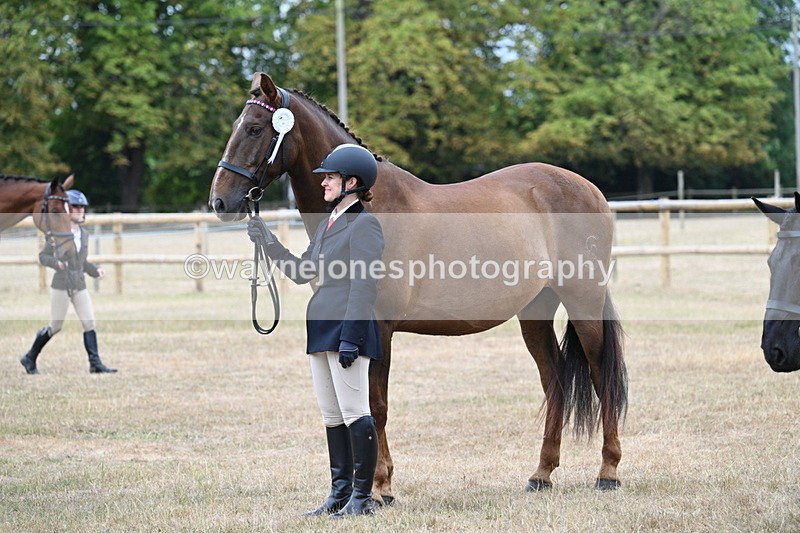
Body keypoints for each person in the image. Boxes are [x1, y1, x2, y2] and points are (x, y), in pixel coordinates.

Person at [247, 143, 384, 518]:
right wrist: (268, 242)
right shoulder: (328, 224)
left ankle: (361, 498)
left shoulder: (365, 225)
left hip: (347, 328)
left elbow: (364, 285)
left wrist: (351, 337)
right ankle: (338, 494)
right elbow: (302, 271)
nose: (323, 183)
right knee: (331, 415)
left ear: (351, 183)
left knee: (356, 411)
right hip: (321, 326)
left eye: (331, 178)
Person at [20, 189, 117, 375]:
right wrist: (56, 263)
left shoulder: (84, 234)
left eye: (82, 207)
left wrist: (95, 271)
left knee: (89, 322)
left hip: (79, 284)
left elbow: (82, 262)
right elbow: (42, 257)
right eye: (76, 207)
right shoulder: (58, 235)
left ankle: (95, 364)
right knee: (56, 326)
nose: (80, 210)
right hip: (61, 285)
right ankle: (30, 357)